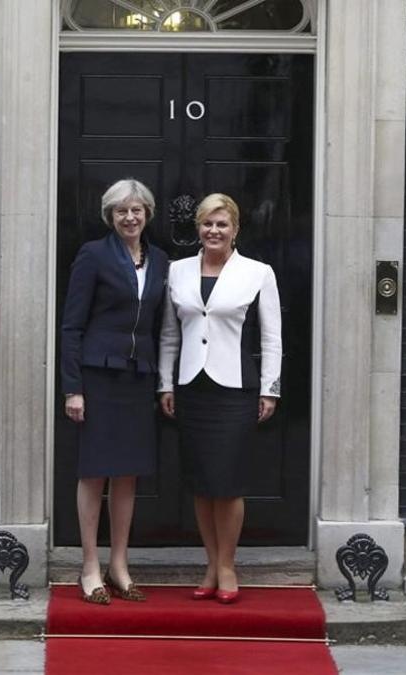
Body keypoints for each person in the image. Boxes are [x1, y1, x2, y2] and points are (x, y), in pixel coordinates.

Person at [157, 193, 282, 605]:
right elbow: (170, 335)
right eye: (208, 224)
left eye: (222, 224)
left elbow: (271, 337)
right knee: (201, 484)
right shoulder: (178, 272)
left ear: (235, 229)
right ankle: (211, 563)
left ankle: (227, 565)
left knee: (227, 484)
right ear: (198, 228)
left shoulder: (258, 273)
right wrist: (165, 384)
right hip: (192, 387)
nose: (214, 231)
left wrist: (269, 388)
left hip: (234, 389)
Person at [61, 178, 168, 605]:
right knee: (94, 472)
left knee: (128, 473)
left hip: (138, 378)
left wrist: (163, 379)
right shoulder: (93, 255)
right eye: (121, 210)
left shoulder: (160, 260)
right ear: (110, 216)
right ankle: (90, 565)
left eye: (137, 209)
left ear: (147, 214)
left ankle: (119, 564)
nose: (130, 217)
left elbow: (163, 325)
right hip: (98, 377)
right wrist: (73, 388)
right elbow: (72, 325)